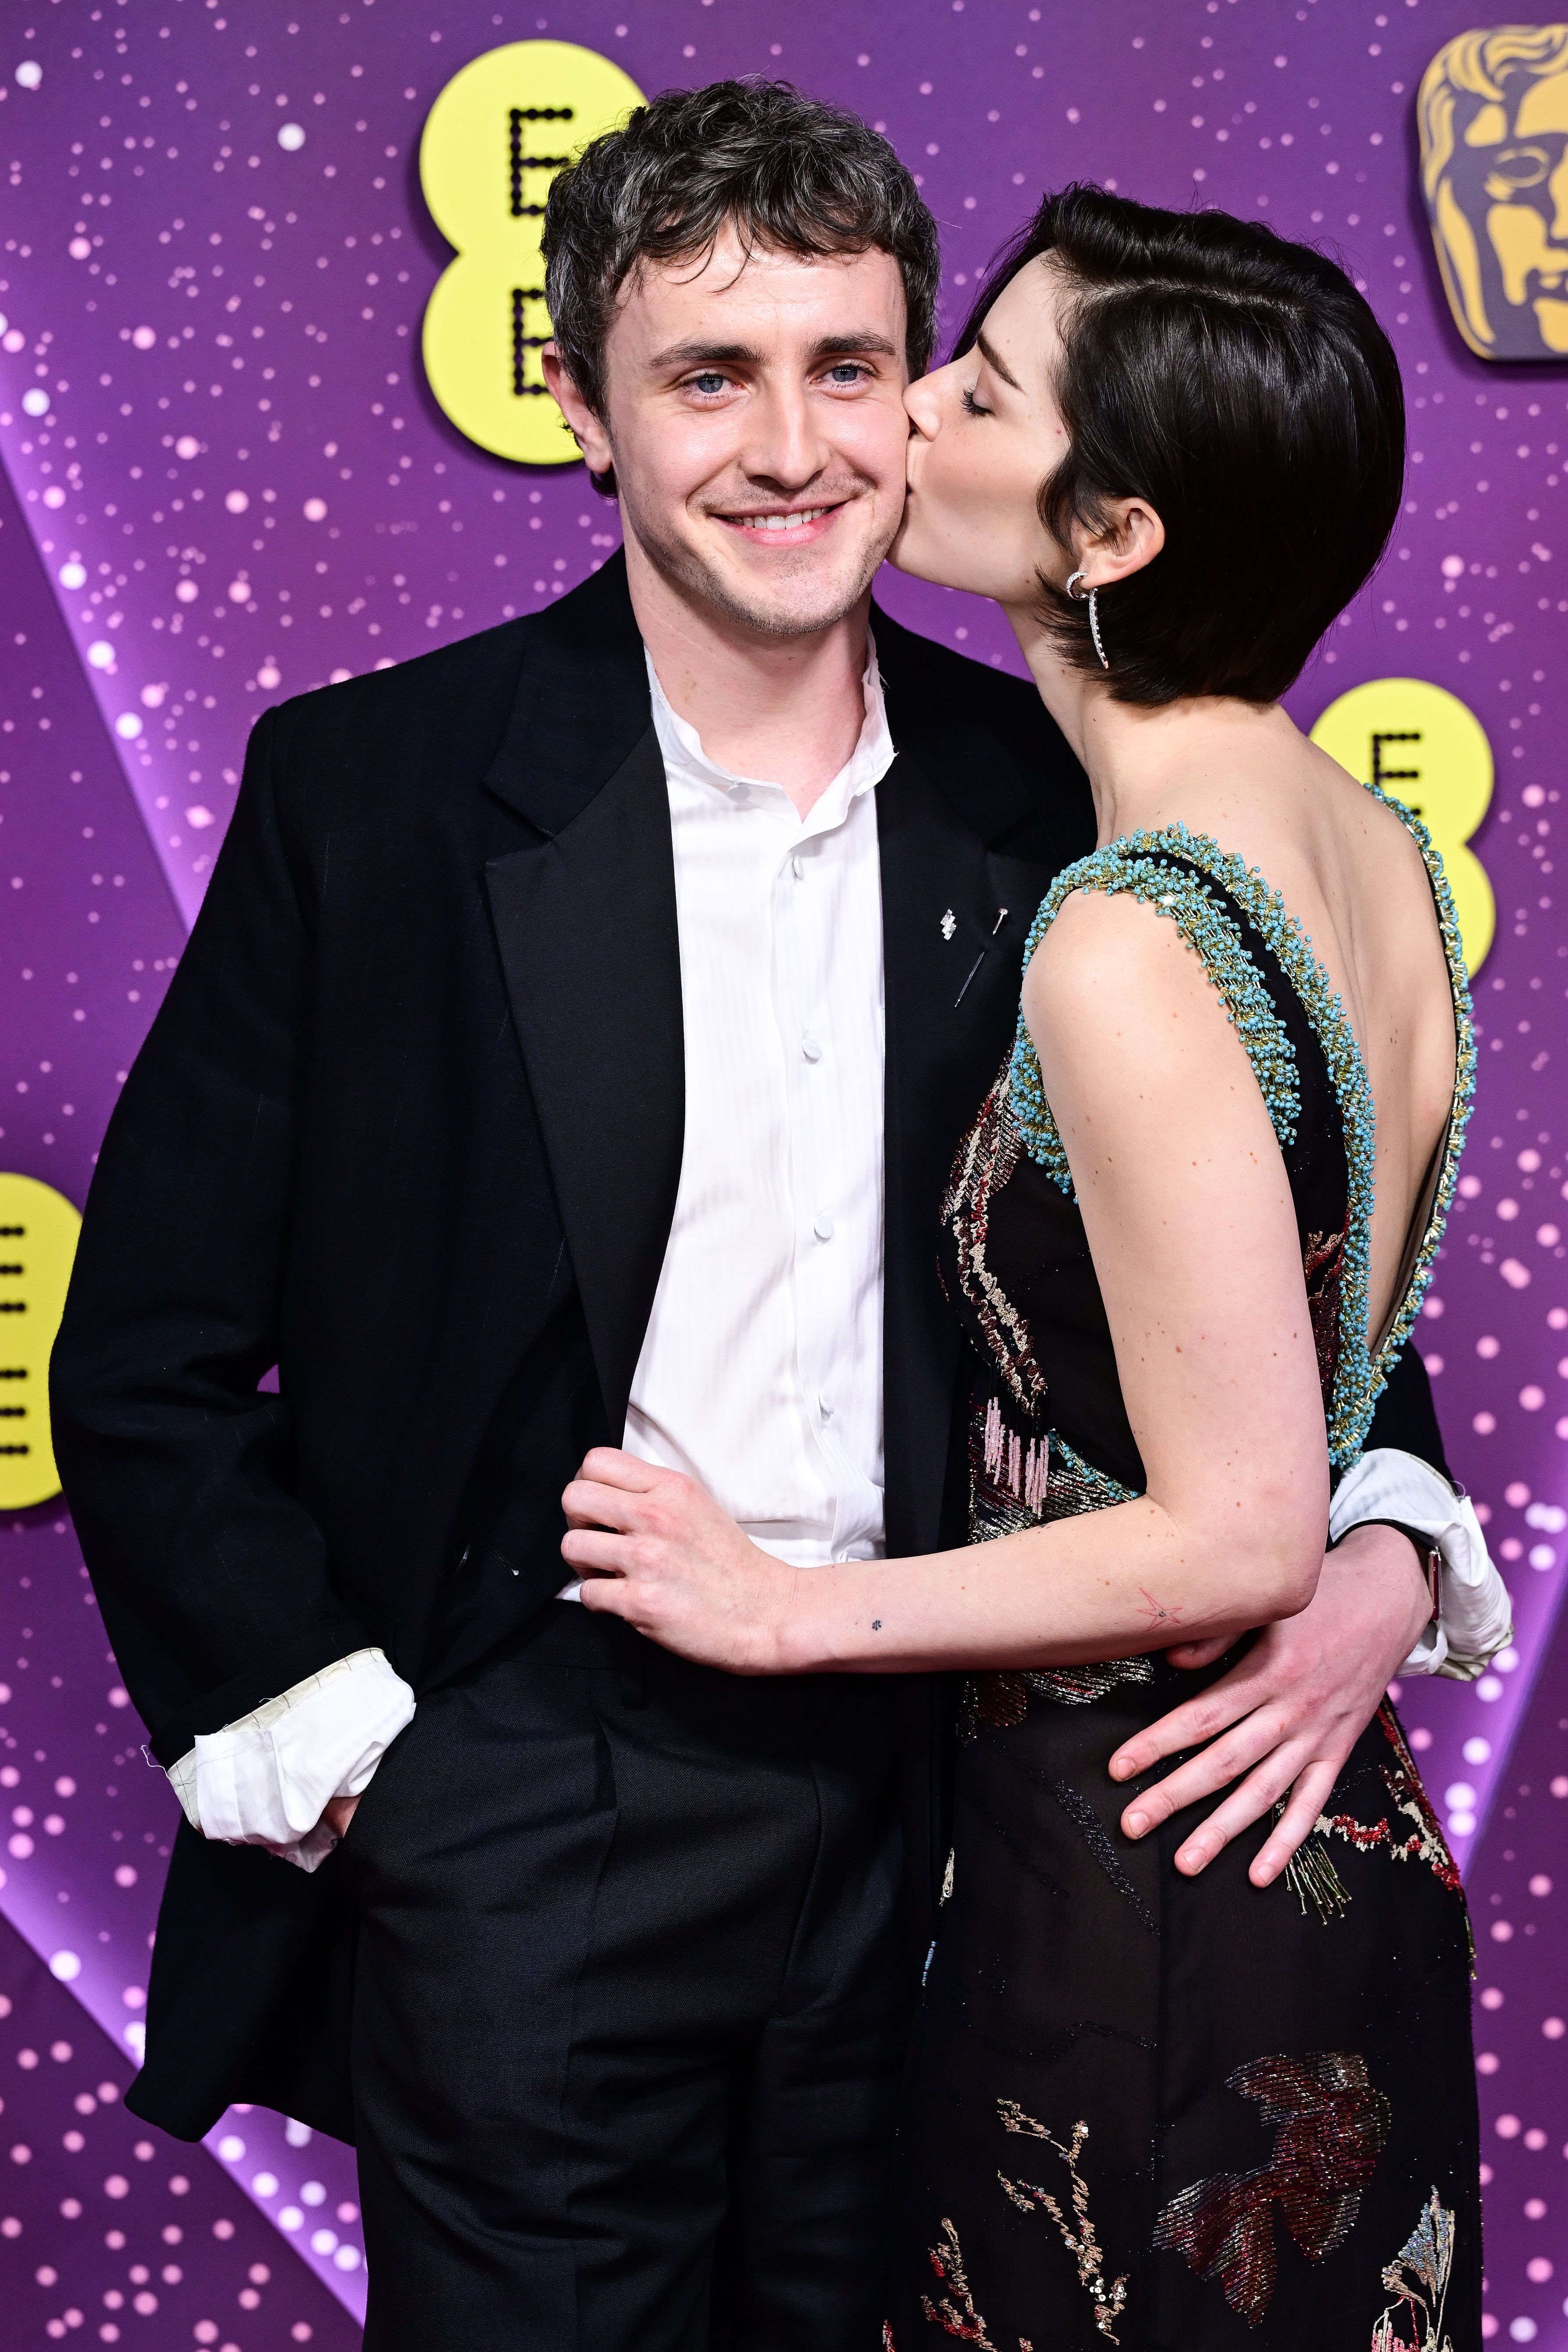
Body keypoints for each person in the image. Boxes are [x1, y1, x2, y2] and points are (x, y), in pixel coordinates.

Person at [49, 88, 1492, 2352]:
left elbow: (1262, 1260)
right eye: (709, 377)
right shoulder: (377, 792)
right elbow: (144, 1350)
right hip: (537, 1802)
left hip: (960, 1824)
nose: (796, 447)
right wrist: (382, 1787)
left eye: (852, 367)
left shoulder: (1068, 796)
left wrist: (1382, 1534)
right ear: (577, 404)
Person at [558, 187, 1494, 2348]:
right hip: (1296, 1837)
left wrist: (786, 1612)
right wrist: (1389, 1545)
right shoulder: (1366, 842)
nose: (895, 421)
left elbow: (1241, 1522)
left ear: (1113, 533)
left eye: (974, 394)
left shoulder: (1127, 931)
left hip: (1146, 1874)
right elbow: (1305, 1362)